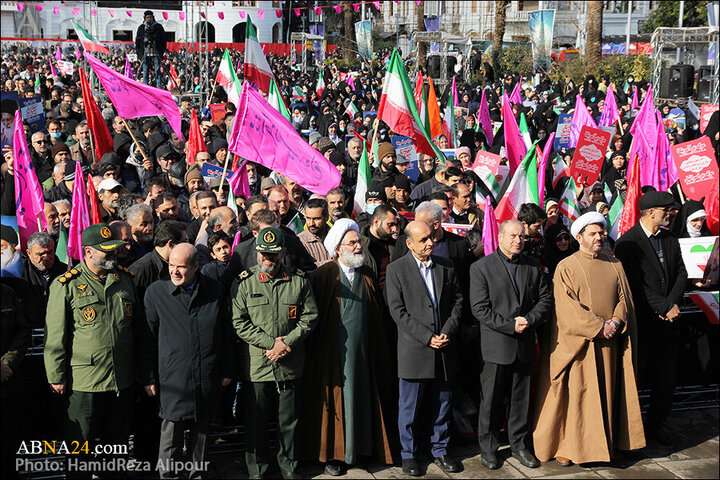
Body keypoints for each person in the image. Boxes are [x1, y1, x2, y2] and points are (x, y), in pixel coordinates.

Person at [533, 212, 645, 465]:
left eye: (601, 233)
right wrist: (597, 327)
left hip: (610, 344)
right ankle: (569, 447)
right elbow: (566, 308)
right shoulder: (566, 266)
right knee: (578, 397)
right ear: (579, 237)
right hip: (580, 347)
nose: (599, 237)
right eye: (593, 234)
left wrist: (616, 321)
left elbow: (624, 298)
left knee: (607, 395)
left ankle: (607, 444)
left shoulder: (614, 263)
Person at [44, 224, 152, 473]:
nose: (113, 255)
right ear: (88, 252)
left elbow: (138, 331)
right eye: (106, 251)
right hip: (85, 382)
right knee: (80, 447)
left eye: (114, 250)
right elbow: (55, 335)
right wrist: (56, 376)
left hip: (121, 379)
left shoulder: (125, 280)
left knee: (117, 447)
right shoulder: (66, 284)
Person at [301, 219, 394, 476]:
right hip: (332, 356)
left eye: (358, 242)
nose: (358, 247)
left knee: (363, 398)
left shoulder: (366, 275)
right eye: (352, 243)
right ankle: (335, 455)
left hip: (364, 353)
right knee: (337, 404)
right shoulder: (324, 275)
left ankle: (361, 450)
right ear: (338, 249)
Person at [231, 227, 318, 479]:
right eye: (263, 255)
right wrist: (271, 343)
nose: (267, 260)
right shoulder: (244, 282)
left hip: (289, 363)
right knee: (256, 422)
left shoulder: (299, 280)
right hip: (258, 365)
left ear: (284, 254)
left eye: (273, 256)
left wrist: (287, 343)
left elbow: (310, 316)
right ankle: (257, 469)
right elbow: (239, 322)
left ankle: (288, 466)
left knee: (289, 422)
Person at [144, 243, 235, 480]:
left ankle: (198, 475)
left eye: (181, 267)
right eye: (171, 265)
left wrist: (226, 370)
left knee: (202, 436)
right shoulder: (156, 293)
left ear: (196, 266)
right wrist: (149, 377)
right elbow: (147, 340)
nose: (174, 271)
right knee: (171, 436)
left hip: (206, 376)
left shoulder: (214, 290)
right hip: (173, 378)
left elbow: (225, 333)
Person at [470, 220, 552, 470]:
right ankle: (489, 448)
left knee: (520, 398)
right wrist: (509, 326)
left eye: (522, 237)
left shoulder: (532, 265)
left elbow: (545, 298)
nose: (519, 241)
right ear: (501, 238)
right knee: (492, 400)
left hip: (525, 342)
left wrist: (529, 320)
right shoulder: (481, 267)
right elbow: (479, 308)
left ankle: (518, 444)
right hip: (496, 345)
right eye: (514, 236)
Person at [385, 221, 464, 476]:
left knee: (442, 403)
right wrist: (427, 337)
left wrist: (447, 332)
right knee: (409, 406)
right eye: (423, 240)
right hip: (414, 349)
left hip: (444, 348)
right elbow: (398, 311)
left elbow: (458, 302)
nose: (430, 243)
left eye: (431, 238)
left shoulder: (447, 266)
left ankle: (440, 449)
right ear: (409, 243)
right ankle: (408, 454)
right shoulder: (397, 270)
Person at [614, 191, 688, 447]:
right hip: (643, 325)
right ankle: (630, 433)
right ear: (652, 212)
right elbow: (634, 285)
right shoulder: (628, 243)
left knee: (665, 380)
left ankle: (657, 424)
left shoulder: (669, 239)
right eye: (666, 210)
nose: (670, 214)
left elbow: (681, 272)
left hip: (668, 324)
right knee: (636, 378)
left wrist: (672, 304)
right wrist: (663, 305)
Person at [297, 198, 332, 267]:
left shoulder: (337, 236)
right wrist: (335, 263)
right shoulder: (300, 241)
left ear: (326, 218)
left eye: (316, 219)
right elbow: (306, 267)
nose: (311, 223)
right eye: (308, 218)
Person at [136, 10, 167, 88]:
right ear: (145, 18)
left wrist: (162, 52)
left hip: (156, 52)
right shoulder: (141, 27)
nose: (149, 19)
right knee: (145, 70)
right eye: (147, 17)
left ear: (153, 17)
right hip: (145, 51)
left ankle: (158, 85)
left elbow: (163, 40)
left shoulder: (158, 27)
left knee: (157, 70)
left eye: (150, 17)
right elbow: (138, 42)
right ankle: (145, 86)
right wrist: (139, 55)